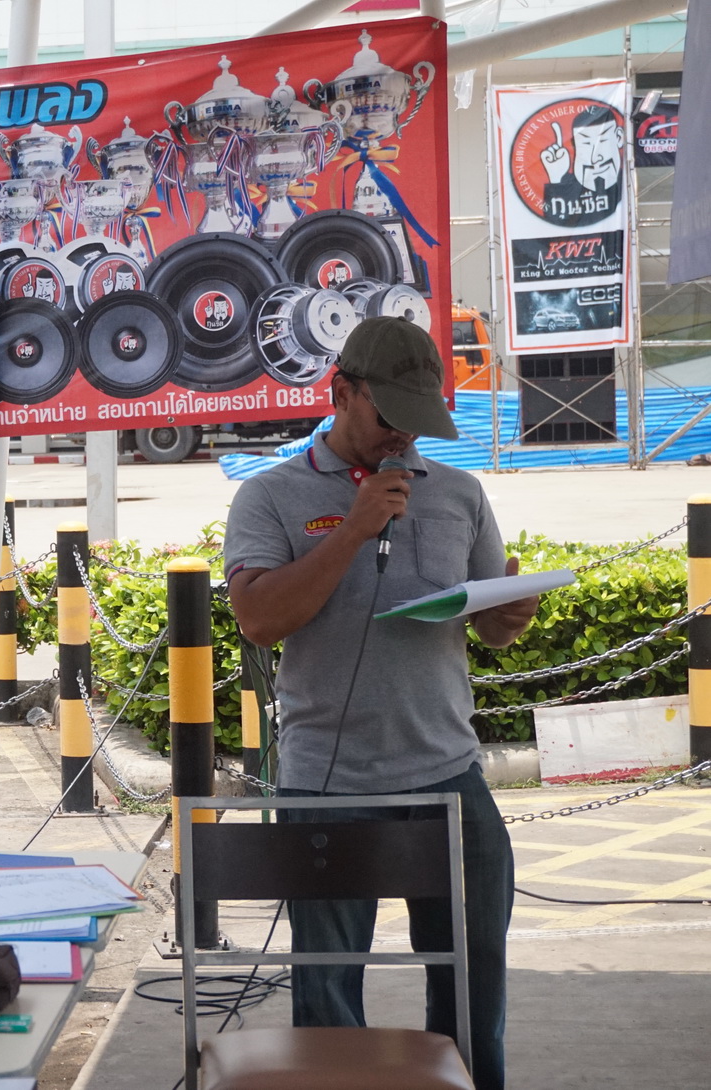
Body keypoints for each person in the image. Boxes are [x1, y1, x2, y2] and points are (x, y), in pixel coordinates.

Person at [223, 318, 540, 1090]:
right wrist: (353, 530)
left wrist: (508, 615)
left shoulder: (459, 493)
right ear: (340, 393)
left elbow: (488, 628)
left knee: (472, 981)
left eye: (416, 419)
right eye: (387, 415)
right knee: (327, 994)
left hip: (448, 775)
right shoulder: (269, 495)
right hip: (327, 786)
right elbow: (259, 620)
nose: (402, 436)